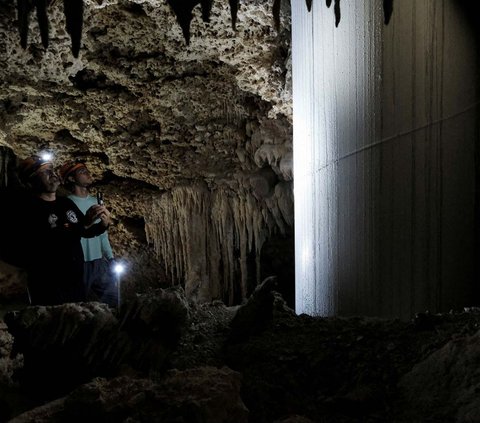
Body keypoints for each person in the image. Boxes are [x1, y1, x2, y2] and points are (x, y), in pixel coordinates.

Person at [14, 155, 111, 306]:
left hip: (74, 281)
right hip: (48, 285)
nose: (52, 174)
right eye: (45, 172)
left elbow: (82, 231)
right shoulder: (27, 210)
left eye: (51, 169)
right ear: (32, 181)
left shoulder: (66, 203)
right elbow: (31, 248)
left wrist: (101, 224)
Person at [59, 160, 118, 306]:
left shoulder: (96, 202)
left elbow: (102, 234)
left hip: (99, 263)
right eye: (81, 172)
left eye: (86, 170)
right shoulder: (66, 204)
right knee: (77, 304)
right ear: (72, 179)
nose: (87, 173)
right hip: (79, 264)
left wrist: (110, 257)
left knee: (114, 299)